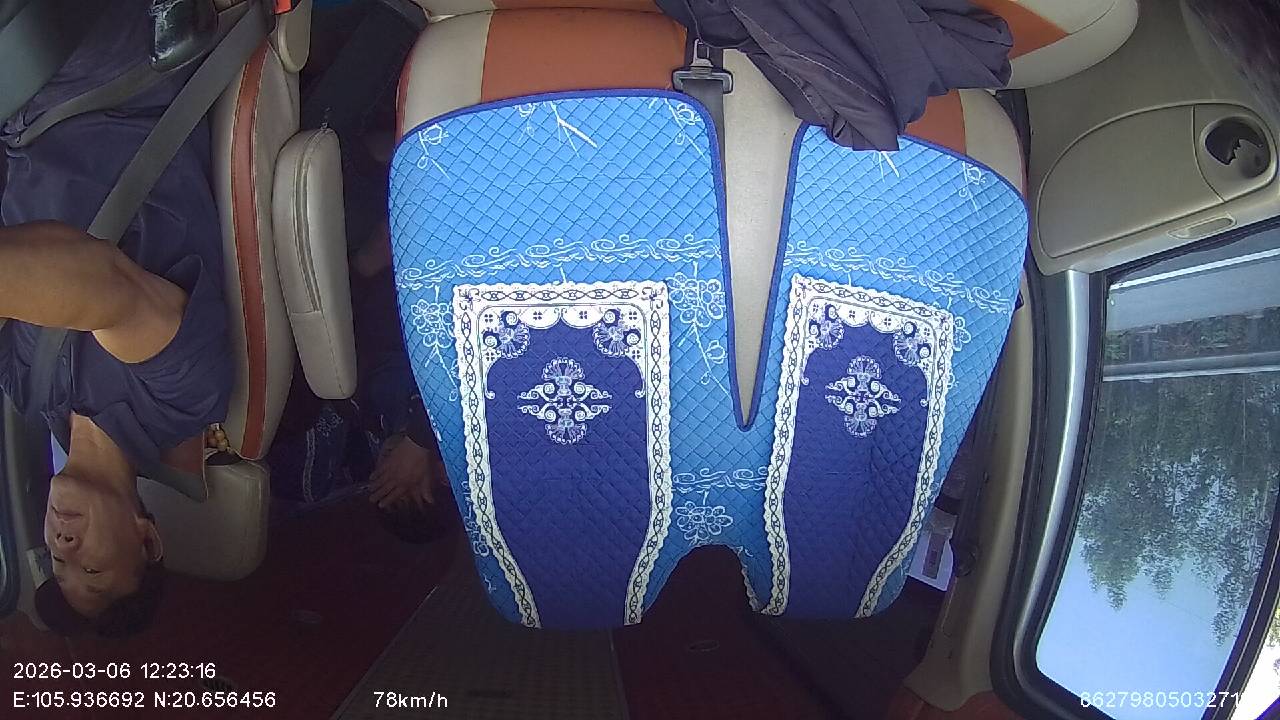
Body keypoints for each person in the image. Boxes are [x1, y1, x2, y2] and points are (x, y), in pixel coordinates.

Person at [0, 1, 231, 636]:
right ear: (146, 539)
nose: (64, 547)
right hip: (106, 82)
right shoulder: (182, 398)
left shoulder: (30, 393)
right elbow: (104, 286)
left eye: (58, 563)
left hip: (18, 117)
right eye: (93, 569)